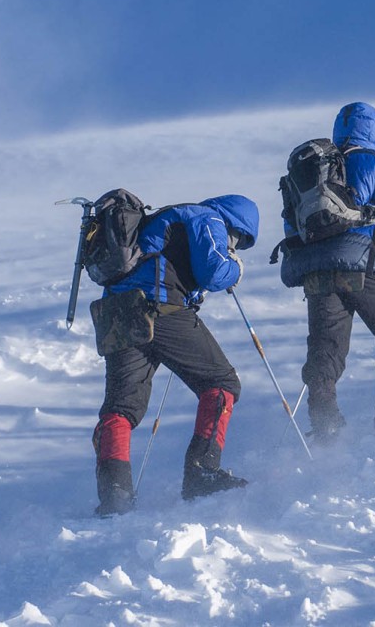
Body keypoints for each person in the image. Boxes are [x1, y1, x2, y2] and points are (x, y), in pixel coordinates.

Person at [91, 194, 260, 516]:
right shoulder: (207, 217)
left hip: (116, 314)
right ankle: (202, 473)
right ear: (236, 223)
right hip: (160, 309)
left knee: (120, 407)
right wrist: (235, 268)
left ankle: (115, 495)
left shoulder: (169, 219)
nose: (234, 244)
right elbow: (214, 272)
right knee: (221, 382)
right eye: (239, 239)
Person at [276, 102, 375, 440]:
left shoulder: (310, 168)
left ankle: (324, 422)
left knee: (325, 349)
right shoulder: (372, 161)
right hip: (365, 265)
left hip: (316, 272)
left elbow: (291, 223)